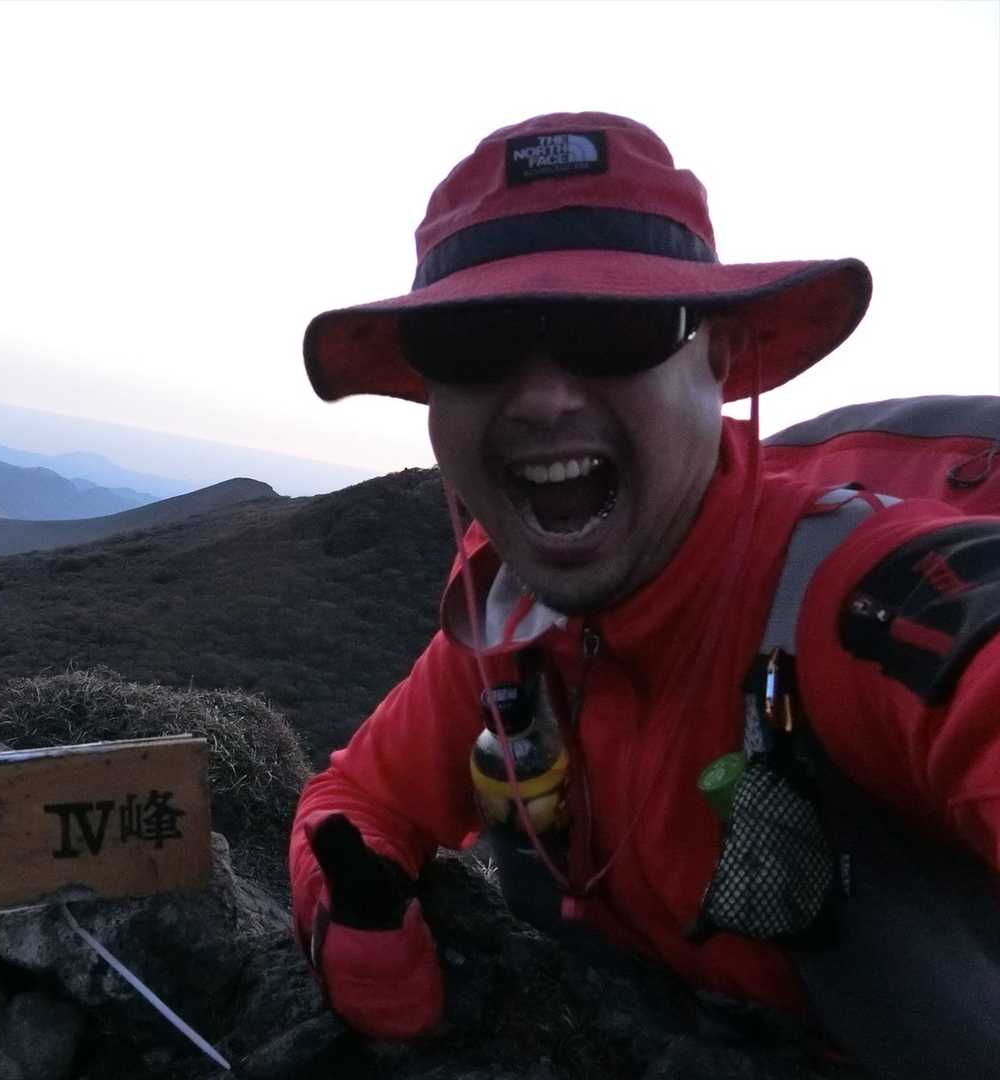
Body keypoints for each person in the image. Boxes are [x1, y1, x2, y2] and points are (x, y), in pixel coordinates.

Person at [288, 112, 1000, 1070]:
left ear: (718, 360)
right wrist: (355, 927)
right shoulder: (511, 633)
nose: (543, 398)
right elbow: (354, 800)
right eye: (471, 343)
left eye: (612, 327)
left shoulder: (863, 600)